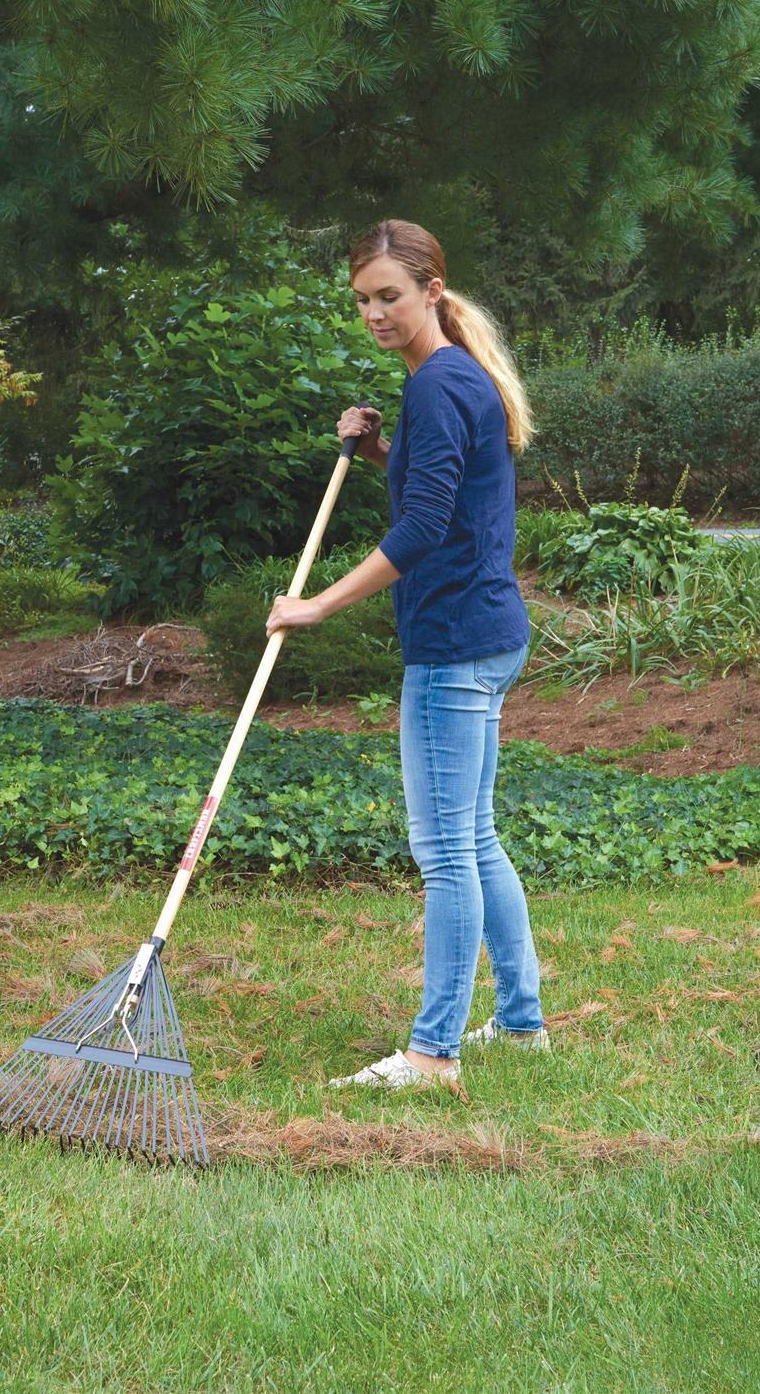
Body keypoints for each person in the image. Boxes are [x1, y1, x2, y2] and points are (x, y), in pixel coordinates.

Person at [264, 218, 548, 1091]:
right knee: (476, 836)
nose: (375, 313)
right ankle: (523, 1024)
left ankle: (433, 1053)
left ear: (432, 290)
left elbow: (424, 528)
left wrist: (316, 605)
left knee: (446, 852)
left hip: (454, 647)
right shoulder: (454, 377)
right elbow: (451, 488)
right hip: (490, 632)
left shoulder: (438, 385)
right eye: (362, 301)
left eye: (389, 296)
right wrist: (383, 451)